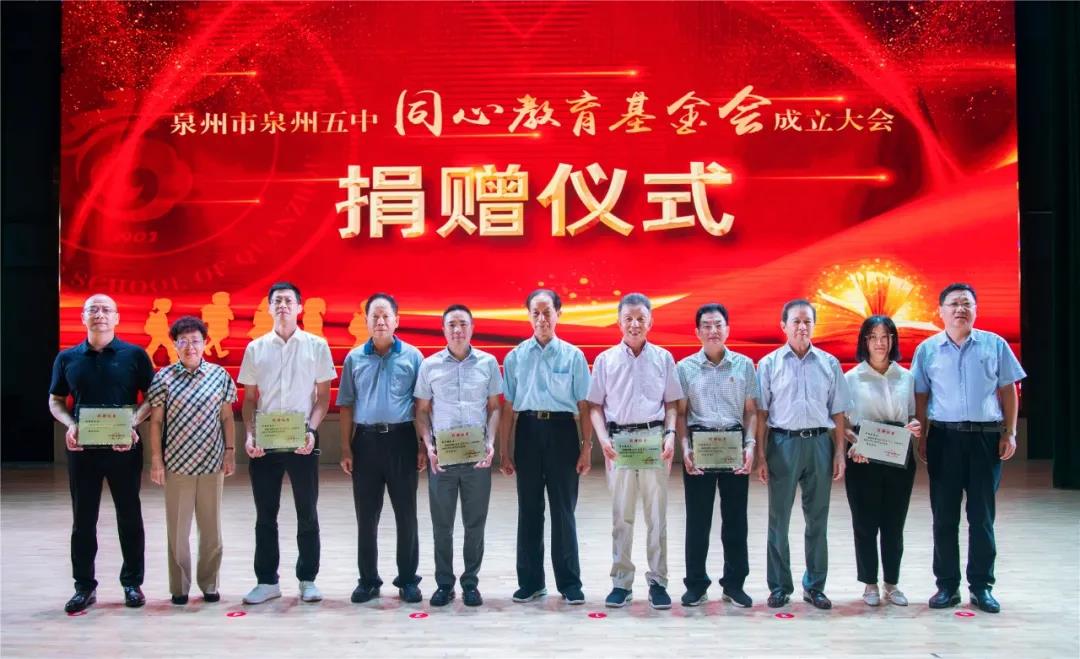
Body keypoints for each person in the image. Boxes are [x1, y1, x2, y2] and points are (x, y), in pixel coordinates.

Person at [911, 283, 1025, 614]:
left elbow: (1009, 390)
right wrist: (922, 436)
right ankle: (947, 586)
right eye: (953, 304)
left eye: (966, 304)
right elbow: (921, 395)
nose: (960, 309)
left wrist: (1010, 432)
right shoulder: (927, 350)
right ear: (940, 311)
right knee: (944, 516)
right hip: (944, 439)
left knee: (982, 516)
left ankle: (981, 586)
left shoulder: (995, 344)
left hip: (984, 439)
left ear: (976, 310)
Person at [48, 294, 154, 613]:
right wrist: (70, 425)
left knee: (129, 516)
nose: (100, 314)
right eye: (93, 309)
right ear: (83, 317)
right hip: (83, 450)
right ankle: (84, 586)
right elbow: (55, 400)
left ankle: (132, 583)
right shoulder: (67, 358)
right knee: (83, 519)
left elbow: (152, 398)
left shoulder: (135, 355)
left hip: (124, 448)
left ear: (117, 317)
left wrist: (132, 423)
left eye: (106, 309)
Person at [238, 282, 336, 605]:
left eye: (288, 301)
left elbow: (323, 398)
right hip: (265, 443)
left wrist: (312, 430)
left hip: (301, 441)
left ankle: (308, 579)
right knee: (265, 514)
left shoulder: (316, 346)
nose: (282, 305)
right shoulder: (255, 348)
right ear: (268, 308)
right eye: (277, 301)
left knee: (307, 511)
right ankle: (267, 581)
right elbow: (249, 399)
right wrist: (249, 434)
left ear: (299, 307)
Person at [587, 293, 684, 610]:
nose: (634, 324)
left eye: (641, 318)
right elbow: (594, 406)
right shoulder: (605, 360)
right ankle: (621, 582)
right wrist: (603, 439)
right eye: (628, 318)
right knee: (622, 517)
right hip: (620, 446)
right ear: (618, 322)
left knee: (657, 517)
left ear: (650, 321)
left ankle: (658, 581)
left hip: (654, 442)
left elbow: (672, 404)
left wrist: (670, 434)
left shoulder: (663, 358)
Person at [499, 289, 592, 605]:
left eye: (547, 312)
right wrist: (504, 450)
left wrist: (586, 447)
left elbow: (584, 405)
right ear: (528, 315)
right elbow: (509, 407)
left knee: (563, 510)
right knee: (529, 509)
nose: (541, 319)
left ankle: (569, 583)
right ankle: (530, 582)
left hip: (562, 432)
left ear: (558, 314)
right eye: (535, 313)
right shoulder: (515, 357)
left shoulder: (573, 356)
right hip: (527, 431)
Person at [755, 299, 849, 610]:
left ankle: (815, 586)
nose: (802, 327)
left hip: (819, 444)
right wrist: (762, 456)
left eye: (807, 321)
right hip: (783, 444)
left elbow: (838, 412)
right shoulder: (769, 364)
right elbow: (762, 414)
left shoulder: (829, 363)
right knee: (778, 520)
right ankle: (779, 586)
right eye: (795, 321)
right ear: (783, 326)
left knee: (817, 519)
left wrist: (839, 453)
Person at [337, 293, 426, 604]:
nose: (380, 321)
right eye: (374, 316)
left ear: (397, 320)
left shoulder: (413, 357)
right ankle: (368, 580)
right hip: (365, 443)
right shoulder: (354, 358)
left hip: (402, 440)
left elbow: (421, 406)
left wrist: (421, 445)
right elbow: (346, 405)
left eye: (386, 316)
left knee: (406, 515)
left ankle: (408, 580)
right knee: (366, 517)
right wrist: (346, 448)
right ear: (366, 321)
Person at [414, 304, 501, 607]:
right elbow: (421, 411)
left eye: (463, 324)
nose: (457, 329)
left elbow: (494, 407)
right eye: (451, 324)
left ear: (472, 328)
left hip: (477, 457)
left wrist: (491, 442)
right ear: (443, 329)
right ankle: (444, 583)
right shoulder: (429, 366)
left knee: (475, 524)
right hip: (444, 458)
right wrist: (429, 446)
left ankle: (471, 582)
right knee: (442, 526)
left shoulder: (488, 363)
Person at [147, 316, 238, 605]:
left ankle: (210, 584)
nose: (190, 347)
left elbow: (227, 417)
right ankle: (180, 587)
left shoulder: (219, 376)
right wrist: (156, 460)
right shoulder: (163, 378)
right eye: (183, 341)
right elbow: (156, 422)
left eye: (195, 341)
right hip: (177, 464)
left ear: (205, 343)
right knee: (178, 530)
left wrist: (230, 451)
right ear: (174, 345)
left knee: (211, 528)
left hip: (212, 463)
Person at [675, 303, 758, 608]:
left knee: (736, 521)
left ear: (728, 329)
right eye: (707, 326)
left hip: (734, 445)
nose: (713, 331)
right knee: (698, 521)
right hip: (701, 447)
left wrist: (750, 445)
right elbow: (681, 414)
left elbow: (751, 412)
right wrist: (685, 448)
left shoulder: (744, 365)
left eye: (718, 325)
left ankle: (734, 585)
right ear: (697, 332)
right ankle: (696, 585)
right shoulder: (684, 368)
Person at [843, 315, 921, 607]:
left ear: (893, 340)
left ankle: (892, 583)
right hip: (863, 457)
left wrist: (915, 425)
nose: (880, 342)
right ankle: (869, 584)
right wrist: (856, 442)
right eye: (873, 337)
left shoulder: (906, 377)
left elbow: (911, 415)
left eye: (885, 336)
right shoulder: (851, 378)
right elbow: (842, 422)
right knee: (865, 523)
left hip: (898, 456)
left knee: (894, 523)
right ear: (864, 341)